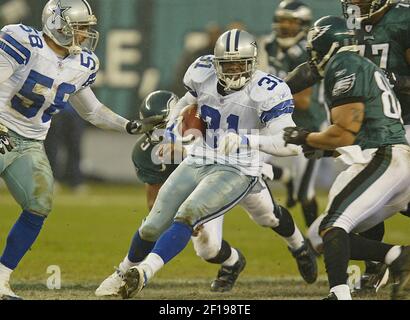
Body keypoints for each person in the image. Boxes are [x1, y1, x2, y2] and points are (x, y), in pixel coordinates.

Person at [115, 29, 317, 299]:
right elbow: (186, 104)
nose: (233, 71)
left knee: (267, 215)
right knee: (207, 249)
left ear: (252, 63)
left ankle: (298, 245)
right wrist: (177, 135)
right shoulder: (200, 79)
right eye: (227, 65)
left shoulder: (263, 90)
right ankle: (233, 262)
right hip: (206, 163)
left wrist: (246, 140)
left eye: (239, 65)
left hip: (242, 165)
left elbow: (289, 142)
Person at [0, 0, 142, 300]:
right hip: (1, 127)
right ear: (56, 23)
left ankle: (0, 279)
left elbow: (92, 111)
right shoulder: (23, 42)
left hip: (29, 141)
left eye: (86, 27)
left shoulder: (82, 63)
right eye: (79, 27)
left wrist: (128, 126)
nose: (85, 33)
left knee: (39, 203)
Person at [283, 16, 410, 300]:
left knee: (333, 226)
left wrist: (305, 137)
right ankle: (396, 256)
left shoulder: (344, 65)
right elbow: (355, 133)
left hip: (383, 158)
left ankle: (339, 294)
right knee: (321, 237)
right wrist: (320, 145)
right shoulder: (361, 65)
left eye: (315, 49)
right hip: (388, 159)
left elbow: (344, 134)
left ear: (329, 47)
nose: (313, 57)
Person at [264, 0, 328, 227]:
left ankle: (317, 240)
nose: (285, 26)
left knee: (304, 192)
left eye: (291, 22)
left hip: (308, 127)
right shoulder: (270, 45)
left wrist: (266, 97)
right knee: (246, 162)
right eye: (282, 20)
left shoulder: (306, 51)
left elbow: (302, 101)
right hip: (279, 123)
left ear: (303, 24)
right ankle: (286, 178)